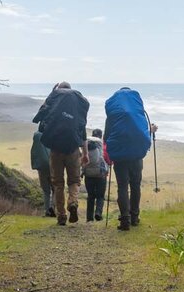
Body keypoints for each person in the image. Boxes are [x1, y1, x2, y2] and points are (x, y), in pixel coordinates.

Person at [33, 82, 90, 226]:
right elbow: (82, 131)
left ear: (59, 91)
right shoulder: (78, 105)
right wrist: (85, 153)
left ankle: (62, 216)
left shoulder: (54, 101)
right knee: (74, 181)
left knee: (58, 183)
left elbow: (39, 116)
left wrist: (50, 95)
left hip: (55, 150)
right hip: (73, 150)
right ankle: (73, 202)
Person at [103, 87, 157, 231]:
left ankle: (125, 219)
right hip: (136, 155)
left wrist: (109, 152)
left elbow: (106, 136)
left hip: (120, 157)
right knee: (135, 186)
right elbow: (143, 130)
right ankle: (135, 217)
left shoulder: (114, 114)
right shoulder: (138, 113)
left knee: (122, 187)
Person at [83, 128, 108, 222]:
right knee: (100, 196)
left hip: (88, 174)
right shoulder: (102, 146)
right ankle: (98, 213)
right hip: (100, 174)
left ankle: (89, 218)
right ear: (101, 136)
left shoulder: (86, 144)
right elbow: (107, 159)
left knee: (90, 196)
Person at [29, 129, 54, 217]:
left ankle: (47, 210)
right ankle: (54, 208)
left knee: (46, 191)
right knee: (55, 189)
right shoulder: (52, 134)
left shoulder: (36, 137)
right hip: (52, 165)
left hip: (41, 168)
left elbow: (33, 153)